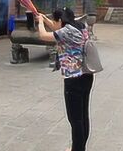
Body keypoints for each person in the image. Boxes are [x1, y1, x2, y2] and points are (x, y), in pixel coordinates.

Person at [37, 8, 93, 151]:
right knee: (83, 115)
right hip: (87, 76)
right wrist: (44, 18)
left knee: (75, 120)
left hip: (74, 79)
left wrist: (40, 23)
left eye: (55, 21)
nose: (54, 23)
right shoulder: (80, 26)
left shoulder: (66, 32)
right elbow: (56, 27)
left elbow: (43, 35)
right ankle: (80, 147)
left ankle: (77, 149)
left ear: (61, 21)